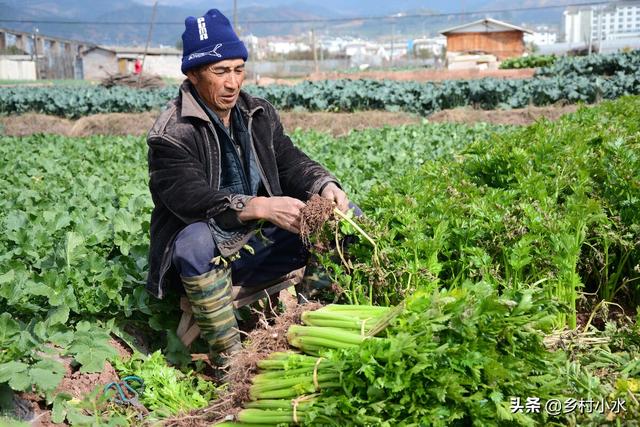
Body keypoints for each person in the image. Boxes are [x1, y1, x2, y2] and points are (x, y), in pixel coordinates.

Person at [145, 9, 353, 365]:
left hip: (263, 245)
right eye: (220, 71)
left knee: (342, 218)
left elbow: (289, 161)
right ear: (194, 74)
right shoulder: (171, 134)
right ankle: (232, 362)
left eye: (239, 69)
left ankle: (308, 321)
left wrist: (324, 184)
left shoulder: (258, 113)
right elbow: (188, 196)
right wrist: (254, 206)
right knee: (193, 241)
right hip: (212, 259)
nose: (233, 82)